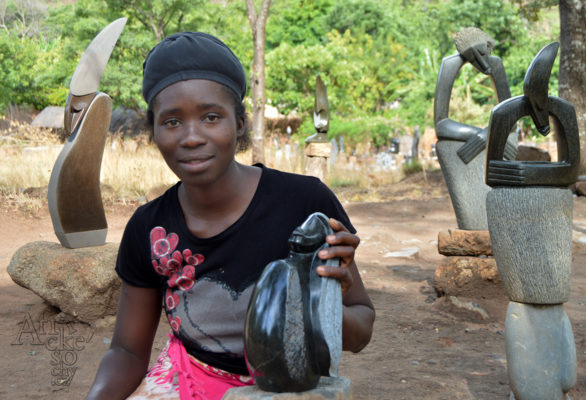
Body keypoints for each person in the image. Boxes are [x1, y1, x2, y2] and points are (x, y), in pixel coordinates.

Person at [86, 31, 375, 400]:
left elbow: (361, 331)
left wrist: (323, 308)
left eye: (211, 117)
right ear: (153, 130)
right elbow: (127, 350)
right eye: (172, 121)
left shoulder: (304, 205)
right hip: (184, 379)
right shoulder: (150, 228)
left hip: (287, 388)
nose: (191, 137)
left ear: (239, 123)